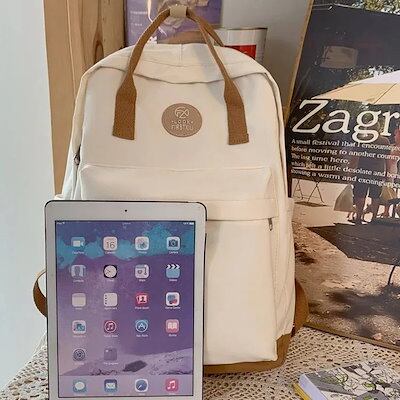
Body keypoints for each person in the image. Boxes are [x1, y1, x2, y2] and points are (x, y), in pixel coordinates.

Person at [350, 122, 391, 224]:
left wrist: (351, 171)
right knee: (375, 196)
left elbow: (355, 156)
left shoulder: (362, 140)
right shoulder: (385, 141)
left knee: (360, 195)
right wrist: (388, 173)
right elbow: (387, 159)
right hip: (378, 172)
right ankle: (374, 218)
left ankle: (358, 217)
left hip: (363, 171)